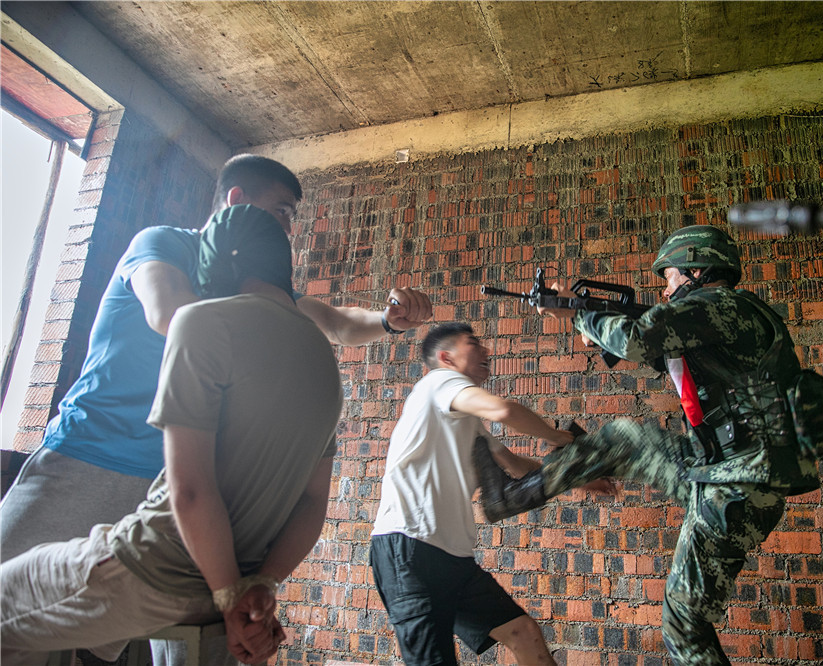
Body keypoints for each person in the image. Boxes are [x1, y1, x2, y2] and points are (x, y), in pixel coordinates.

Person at [0, 153, 430, 560]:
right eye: (282, 211)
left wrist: (388, 319)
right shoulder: (164, 244)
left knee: (114, 634)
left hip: (174, 482)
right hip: (92, 455)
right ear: (236, 200)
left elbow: (338, 324)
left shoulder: (256, 285)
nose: (288, 228)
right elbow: (170, 313)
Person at [2, 204, 343, 664]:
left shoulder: (202, 321)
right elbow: (312, 504)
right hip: (237, 581)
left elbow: (191, 493)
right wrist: (257, 587)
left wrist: (227, 597)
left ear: (223, 261)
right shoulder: (323, 360)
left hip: (155, 567)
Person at [477, 225, 821, 665]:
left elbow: (639, 338)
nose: (665, 288)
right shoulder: (723, 318)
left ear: (697, 270)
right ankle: (512, 493)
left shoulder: (722, 306)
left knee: (684, 625)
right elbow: (651, 350)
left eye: (670, 276)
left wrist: (582, 315)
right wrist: (587, 322)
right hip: (718, 470)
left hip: (736, 485)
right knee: (624, 439)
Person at [370, 322, 610, 665]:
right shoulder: (439, 382)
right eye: (474, 344)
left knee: (522, 632)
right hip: (409, 549)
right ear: (446, 358)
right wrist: (560, 439)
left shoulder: (465, 420)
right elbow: (505, 410)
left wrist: (576, 477)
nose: (487, 352)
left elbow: (512, 464)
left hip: (451, 557)